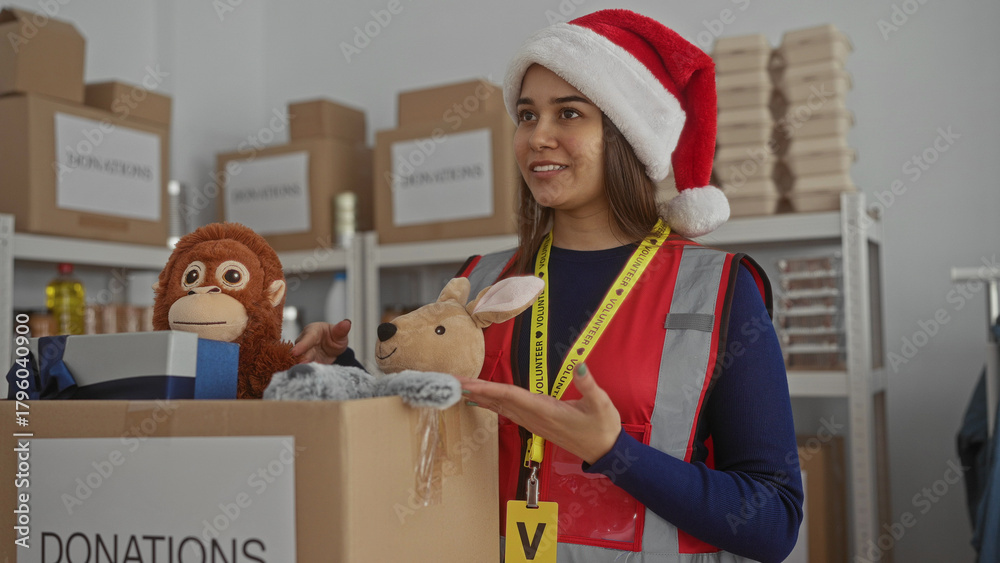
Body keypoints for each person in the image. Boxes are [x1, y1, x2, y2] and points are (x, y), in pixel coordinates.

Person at [295, 9, 803, 562]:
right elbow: (423, 438)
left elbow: (773, 522)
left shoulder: (719, 288)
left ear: (626, 132)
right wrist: (340, 369)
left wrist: (613, 452)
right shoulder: (479, 280)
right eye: (527, 115)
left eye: (569, 113)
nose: (538, 137)